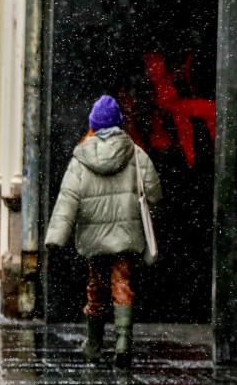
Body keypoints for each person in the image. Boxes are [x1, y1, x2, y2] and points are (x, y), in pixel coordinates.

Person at [44, 95, 162, 366]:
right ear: (119, 123)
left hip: (93, 237)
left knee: (95, 285)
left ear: (93, 125)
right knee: (122, 284)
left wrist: (55, 238)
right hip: (125, 235)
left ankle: (94, 343)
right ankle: (123, 342)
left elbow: (67, 200)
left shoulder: (81, 157)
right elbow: (154, 192)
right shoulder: (135, 153)